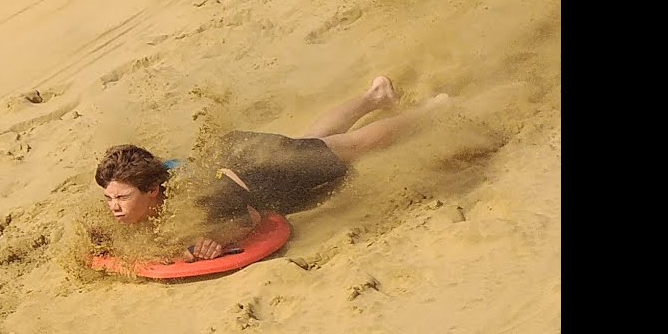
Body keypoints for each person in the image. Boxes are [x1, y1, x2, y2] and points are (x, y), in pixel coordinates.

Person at [93, 76, 449, 261]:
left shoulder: (194, 196)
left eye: (122, 198)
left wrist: (214, 241)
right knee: (313, 141)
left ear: (152, 191)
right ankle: (376, 97)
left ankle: (430, 112)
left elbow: (247, 218)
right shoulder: (155, 177)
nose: (114, 207)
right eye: (109, 198)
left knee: (349, 148)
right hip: (238, 153)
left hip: (264, 170)